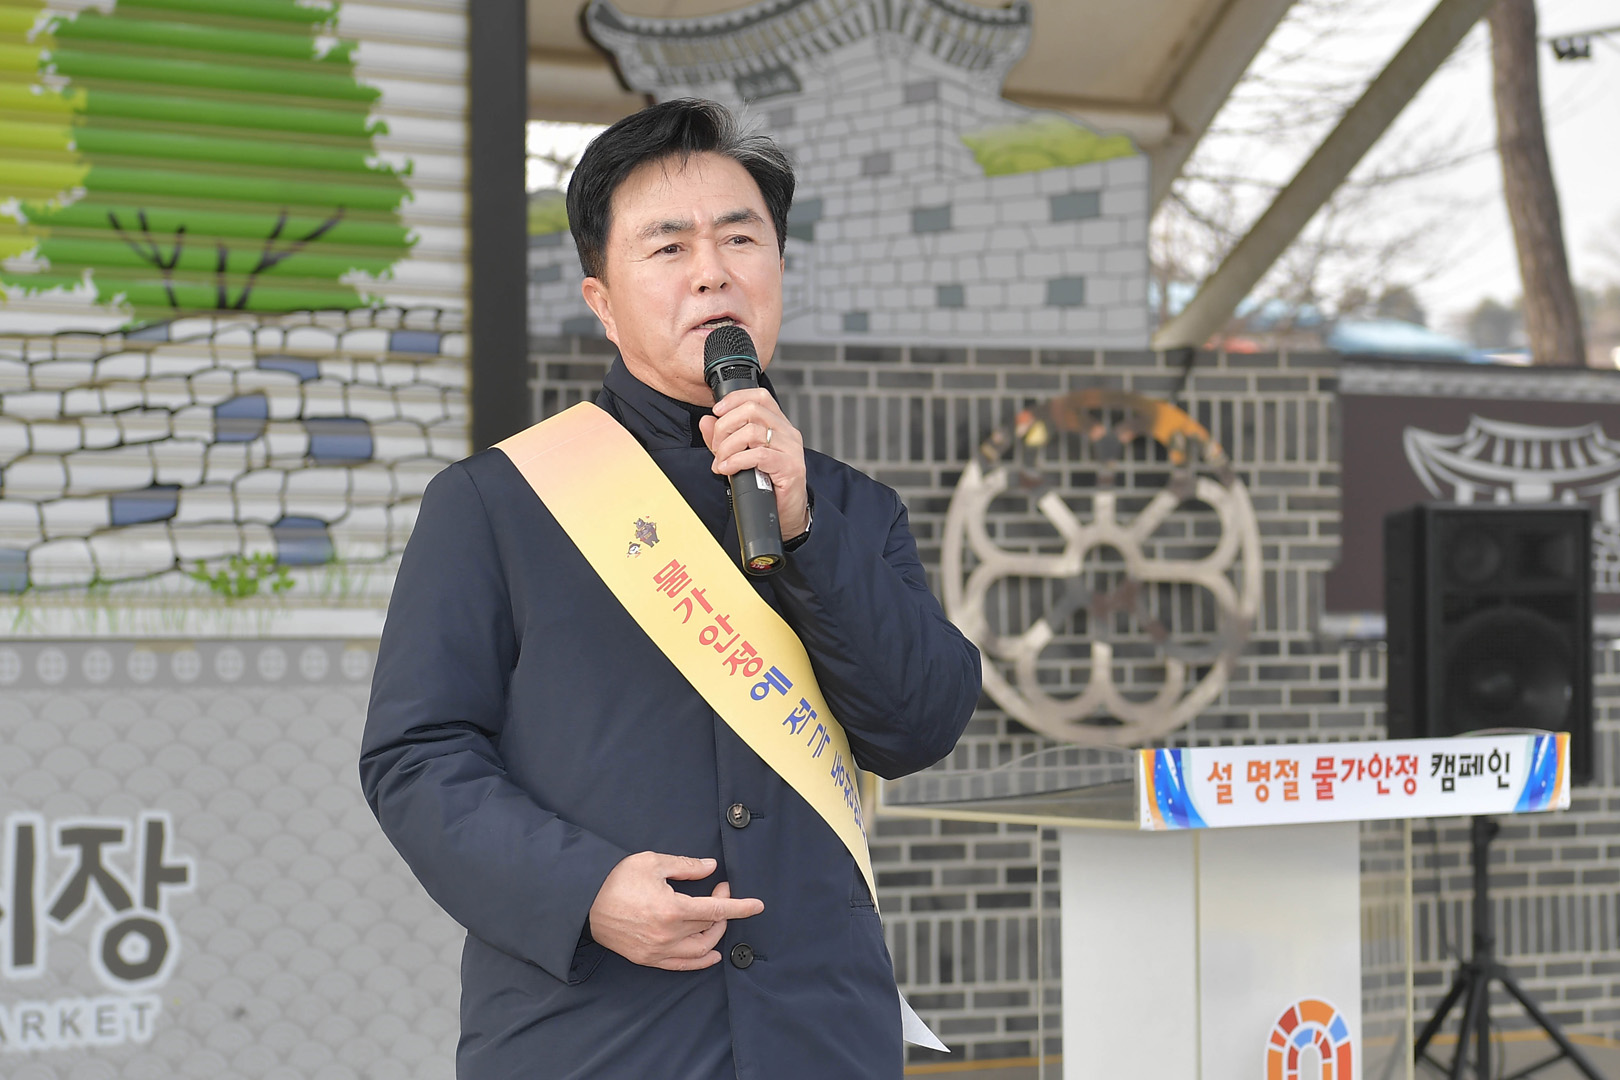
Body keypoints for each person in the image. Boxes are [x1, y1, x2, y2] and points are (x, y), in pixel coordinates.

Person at [359, 98, 981, 1080]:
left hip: (820, 1037)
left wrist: (806, 529)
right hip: (594, 1037)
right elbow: (416, 755)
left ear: (779, 269)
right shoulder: (498, 501)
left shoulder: (853, 509)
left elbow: (920, 726)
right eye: (669, 246)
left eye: (741, 238)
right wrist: (585, 890)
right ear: (602, 300)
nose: (712, 271)